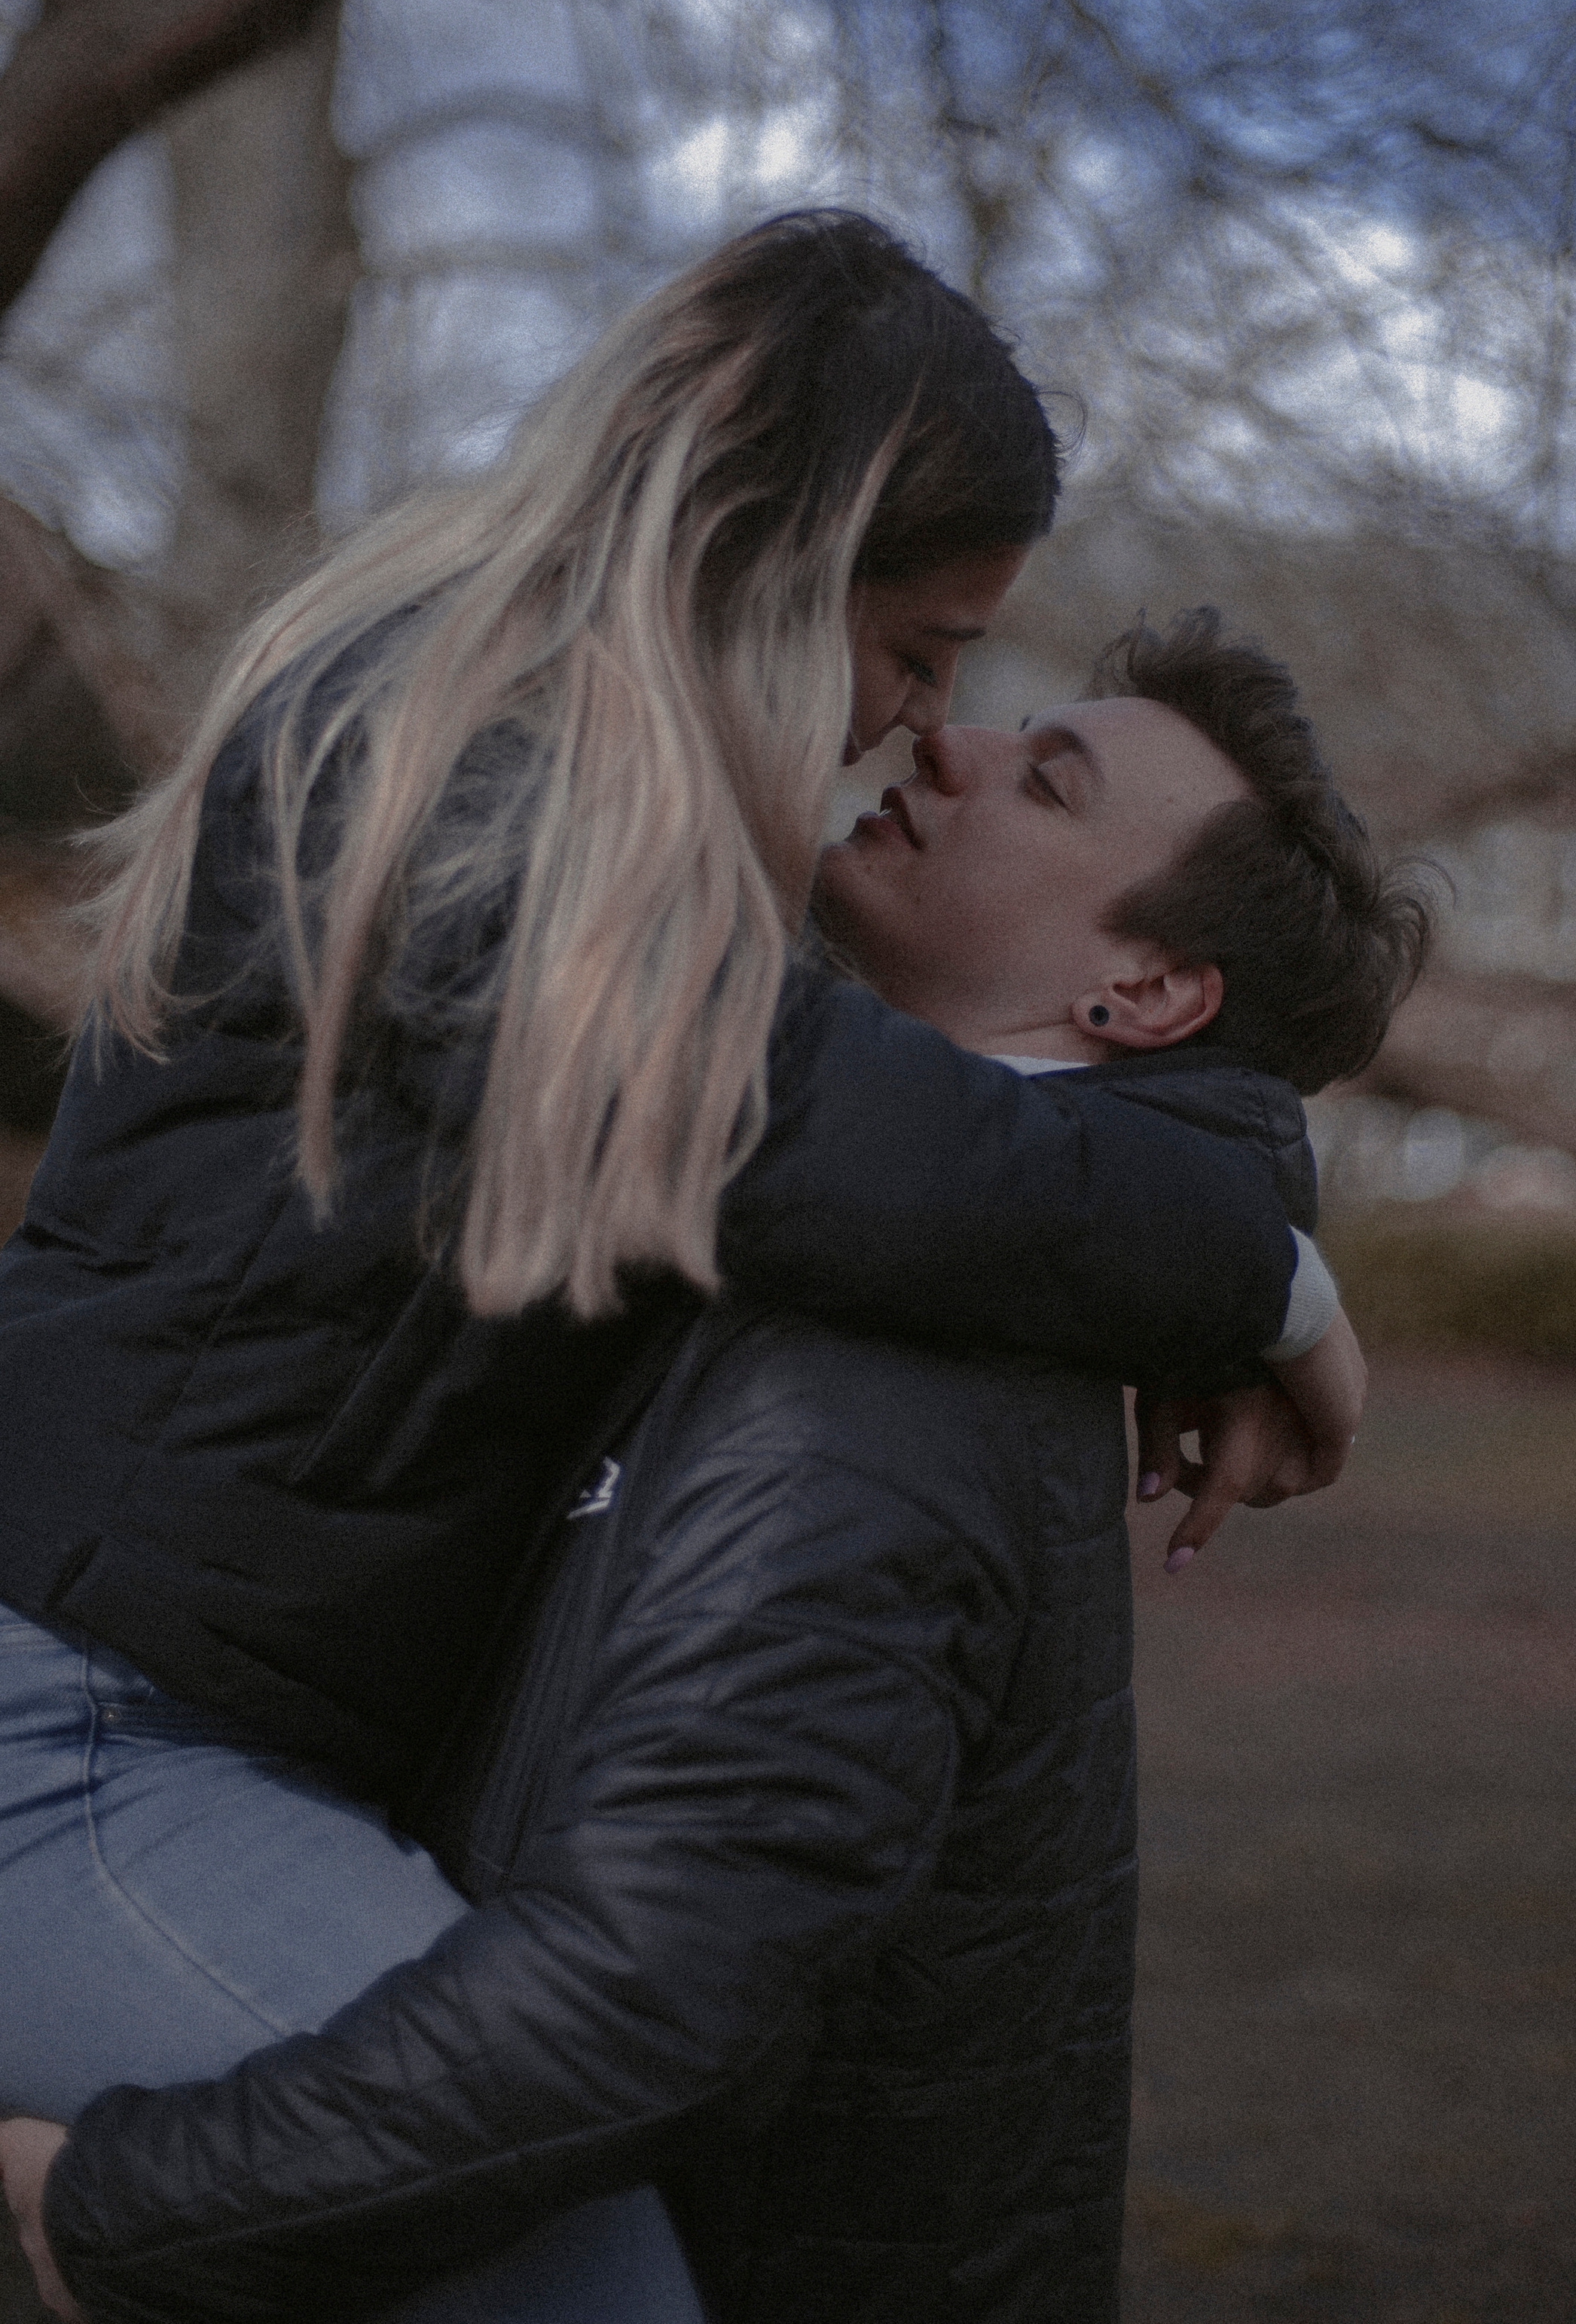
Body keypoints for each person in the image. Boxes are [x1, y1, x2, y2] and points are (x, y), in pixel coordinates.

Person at [0, 224, 1331, 2305]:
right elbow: (811, 1127)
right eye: (920, 647)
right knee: (580, 2285)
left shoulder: (614, 820)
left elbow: (940, 1118)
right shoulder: (455, 766)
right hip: (73, 1727)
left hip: (203, 1724)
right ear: (777, 566)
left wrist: (1222, 1219)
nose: (921, 720)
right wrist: (1267, 1286)